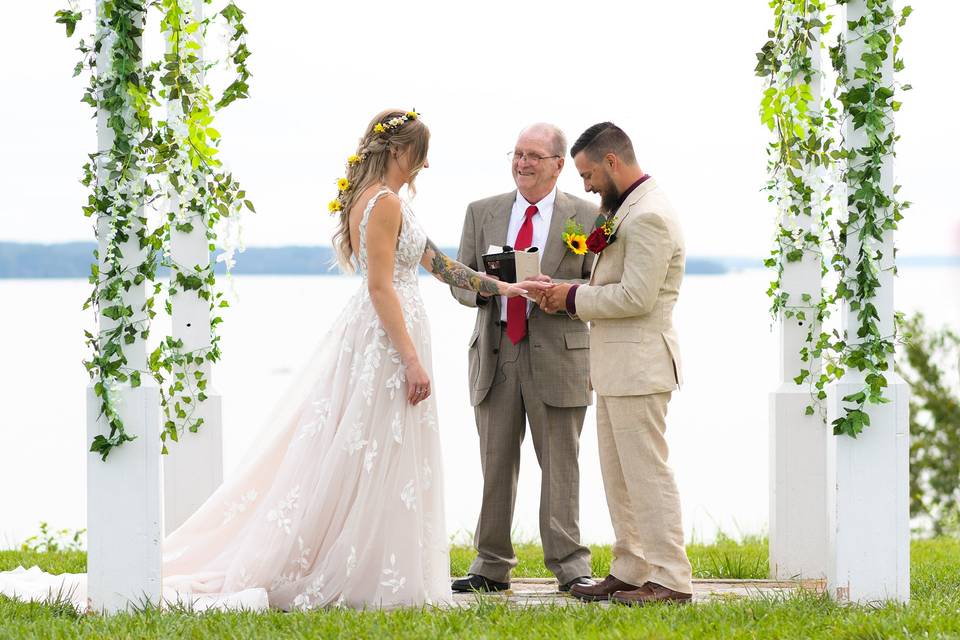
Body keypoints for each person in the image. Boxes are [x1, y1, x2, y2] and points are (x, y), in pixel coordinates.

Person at [0, 109, 547, 612]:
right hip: (387, 338)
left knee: (376, 450)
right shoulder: (384, 204)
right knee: (372, 446)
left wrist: (503, 288)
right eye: (423, 153)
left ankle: (377, 557)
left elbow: (440, 264)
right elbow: (381, 286)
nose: (427, 163)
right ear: (405, 152)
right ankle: (349, 565)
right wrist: (411, 360)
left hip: (391, 331)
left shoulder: (385, 201)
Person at [538, 122, 694, 606]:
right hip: (614, 368)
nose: (584, 186)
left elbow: (636, 297)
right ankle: (630, 569)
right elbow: (609, 273)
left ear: (612, 162)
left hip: (641, 366)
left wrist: (570, 298)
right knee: (619, 477)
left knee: (648, 474)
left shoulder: (649, 216)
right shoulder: (625, 207)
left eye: (587, 175)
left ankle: (671, 579)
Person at [449, 124, 597, 594]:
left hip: (559, 352)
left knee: (560, 463)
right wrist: (491, 286)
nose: (522, 163)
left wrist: (564, 292)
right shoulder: (481, 212)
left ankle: (571, 566)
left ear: (558, 164)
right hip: (496, 351)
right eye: (517, 154)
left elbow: (602, 283)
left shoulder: (590, 217)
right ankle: (490, 565)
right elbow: (458, 279)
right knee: (495, 461)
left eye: (534, 155)